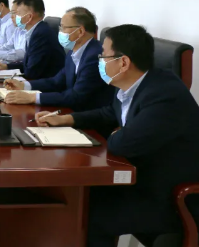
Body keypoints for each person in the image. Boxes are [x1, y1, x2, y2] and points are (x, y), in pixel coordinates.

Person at [35, 25, 199, 247]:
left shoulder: (164, 94)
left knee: (89, 214)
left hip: (170, 198)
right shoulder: (131, 85)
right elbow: (109, 113)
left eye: (103, 55)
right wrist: (67, 119)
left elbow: (122, 144)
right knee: (77, 199)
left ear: (123, 62)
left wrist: (118, 133)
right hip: (142, 180)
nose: (99, 60)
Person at [2, 7, 113, 110]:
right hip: (71, 109)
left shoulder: (94, 56)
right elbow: (56, 81)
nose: (60, 31)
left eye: (63, 27)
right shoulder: (74, 51)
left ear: (80, 31)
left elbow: (76, 96)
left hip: (88, 116)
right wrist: (24, 85)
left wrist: (32, 97)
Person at [0, 0, 64, 80]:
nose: (14, 16)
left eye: (18, 13)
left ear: (29, 17)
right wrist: (6, 66)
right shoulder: (35, 31)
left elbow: (31, 72)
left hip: (47, 83)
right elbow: (27, 64)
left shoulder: (41, 34)